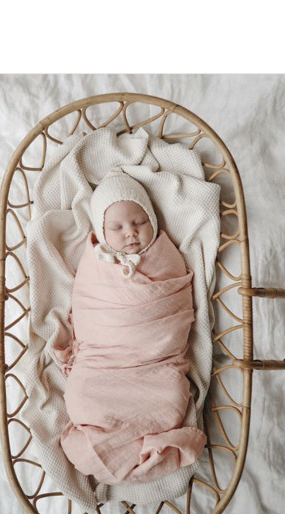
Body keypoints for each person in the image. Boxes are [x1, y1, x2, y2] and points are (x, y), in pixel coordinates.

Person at [55, 167, 207, 486]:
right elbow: (86, 305)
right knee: (81, 397)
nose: (130, 233)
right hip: (101, 362)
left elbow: (176, 305)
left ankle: (132, 445)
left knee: (172, 395)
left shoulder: (166, 257)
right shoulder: (94, 264)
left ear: (153, 220)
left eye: (140, 222)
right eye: (117, 227)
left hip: (155, 363)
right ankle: (126, 447)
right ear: (101, 231)